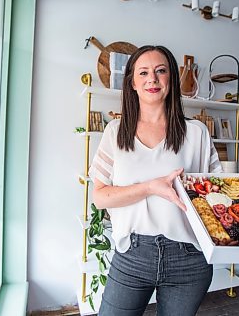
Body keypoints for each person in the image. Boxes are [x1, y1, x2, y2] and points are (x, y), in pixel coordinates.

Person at [89, 45, 223, 316]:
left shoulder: (197, 133)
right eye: (144, 72)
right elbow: (100, 196)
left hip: (188, 258)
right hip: (132, 256)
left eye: (161, 71)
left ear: (171, 80)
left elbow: (215, 196)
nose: (152, 78)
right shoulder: (116, 132)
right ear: (133, 83)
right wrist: (151, 187)